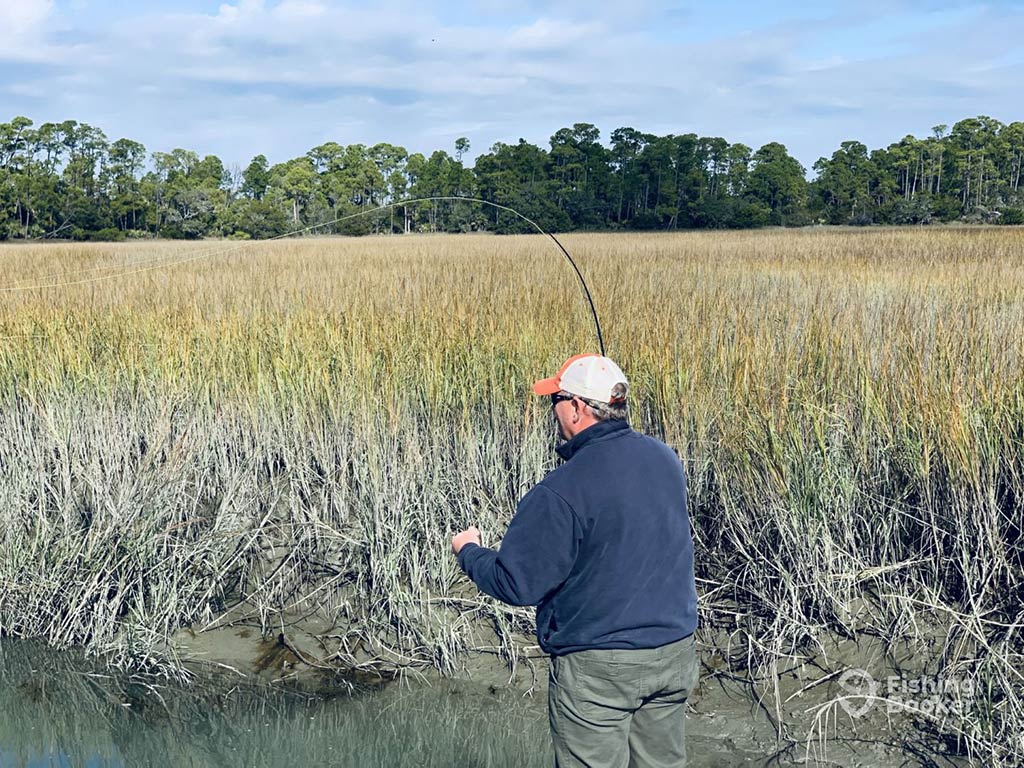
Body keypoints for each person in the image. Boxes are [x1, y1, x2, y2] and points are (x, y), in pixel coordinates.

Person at [451, 353, 699, 768]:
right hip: (674, 654)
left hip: (598, 669)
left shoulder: (560, 491)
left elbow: (517, 583)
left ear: (578, 408)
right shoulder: (665, 459)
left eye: (556, 401)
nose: (553, 412)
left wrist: (469, 551)